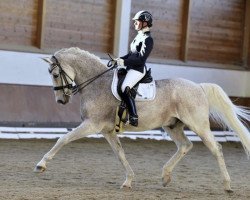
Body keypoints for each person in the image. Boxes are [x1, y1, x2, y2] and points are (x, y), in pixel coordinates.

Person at [116, 10, 154, 127]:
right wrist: (118, 59)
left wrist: (124, 61)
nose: (135, 24)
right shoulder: (139, 36)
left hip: (138, 70)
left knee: (124, 88)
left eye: (137, 21)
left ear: (145, 23)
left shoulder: (148, 39)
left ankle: (133, 116)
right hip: (130, 67)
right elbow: (131, 54)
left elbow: (141, 59)